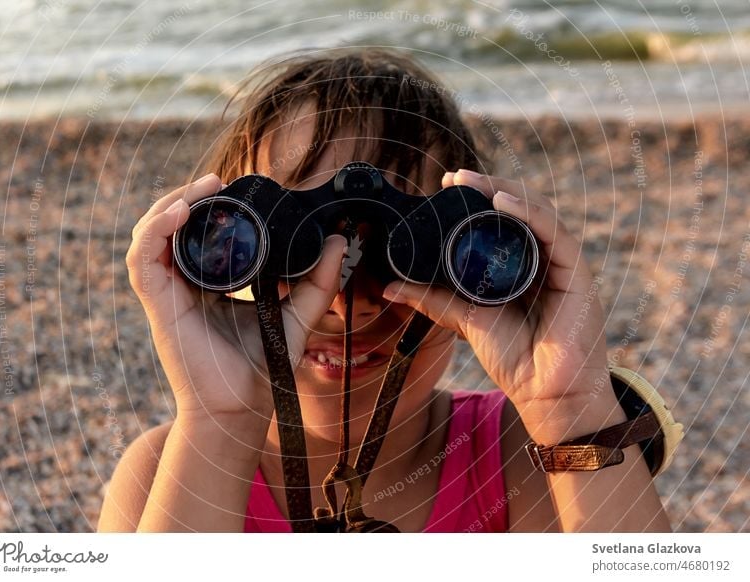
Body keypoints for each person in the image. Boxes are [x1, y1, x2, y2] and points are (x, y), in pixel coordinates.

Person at [99, 47, 671, 532]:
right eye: (294, 249)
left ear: (470, 273)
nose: (347, 301)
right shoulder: (163, 475)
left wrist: (571, 408)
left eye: (402, 254)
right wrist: (219, 424)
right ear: (220, 261)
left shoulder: (521, 457)